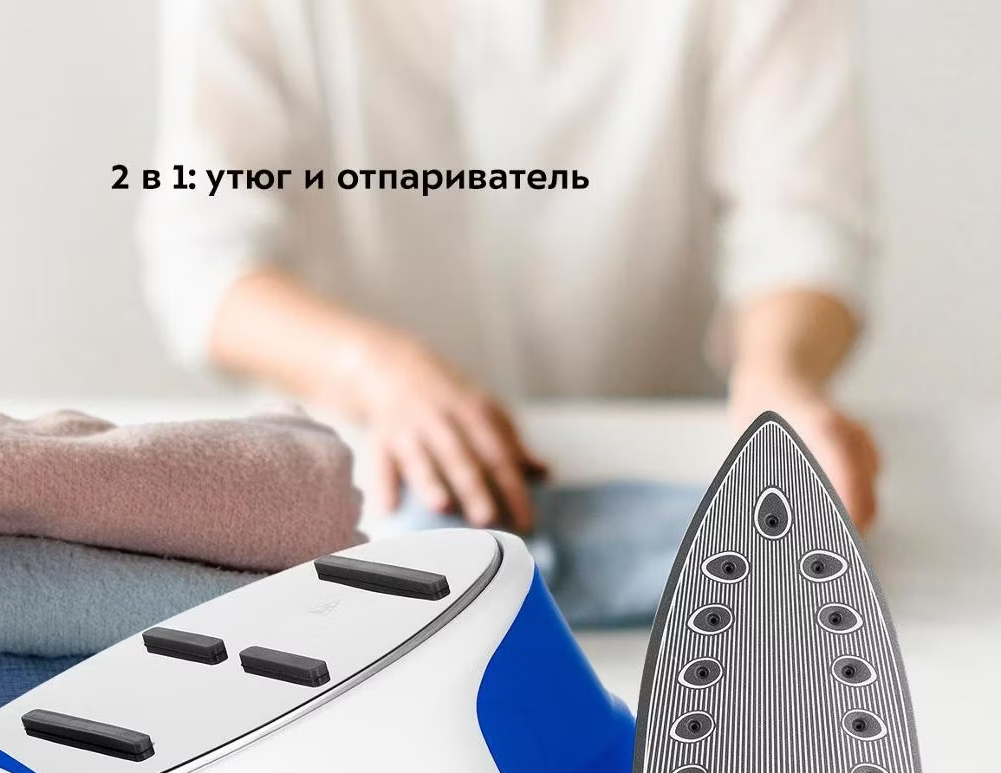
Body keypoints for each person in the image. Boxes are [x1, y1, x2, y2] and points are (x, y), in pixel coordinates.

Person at [138, 0, 879, 531]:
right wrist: (375, 372)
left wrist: (779, 376)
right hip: (355, 484)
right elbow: (202, 252)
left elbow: (800, 221)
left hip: (667, 469)